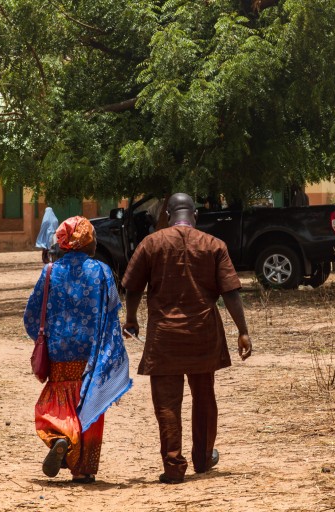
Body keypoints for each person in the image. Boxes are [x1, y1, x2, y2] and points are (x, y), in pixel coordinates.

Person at [121, 193, 253, 484]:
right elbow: (230, 291)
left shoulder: (151, 243)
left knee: (167, 403)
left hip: (164, 337)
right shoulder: (214, 245)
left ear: (167, 215)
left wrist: (131, 319)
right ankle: (203, 460)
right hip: (203, 334)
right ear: (195, 214)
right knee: (204, 396)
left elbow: (132, 287)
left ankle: (173, 466)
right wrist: (242, 331)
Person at [24, 216, 132, 483]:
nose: (96, 242)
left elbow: (32, 315)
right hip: (92, 355)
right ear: (84, 241)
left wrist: (47, 337)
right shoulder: (102, 271)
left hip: (60, 353)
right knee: (89, 405)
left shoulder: (49, 272)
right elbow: (112, 309)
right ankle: (83, 469)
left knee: (59, 402)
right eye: (93, 237)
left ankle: (61, 438)